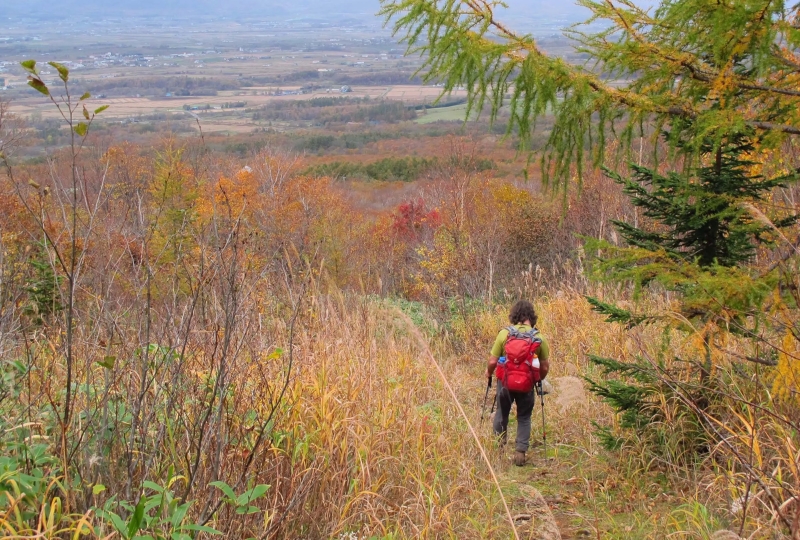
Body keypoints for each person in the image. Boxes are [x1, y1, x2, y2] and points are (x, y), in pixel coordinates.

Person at [486, 300, 550, 466]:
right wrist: (538, 379)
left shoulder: (504, 334)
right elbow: (545, 366)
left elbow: (493, 361)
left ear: (515, 316)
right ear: (531, 317)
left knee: (502, 413)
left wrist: (488, 373)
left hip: (505, 383)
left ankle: (498, 450)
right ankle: (520, 453)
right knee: (524, 416)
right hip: (527, 383)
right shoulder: (538, 337)